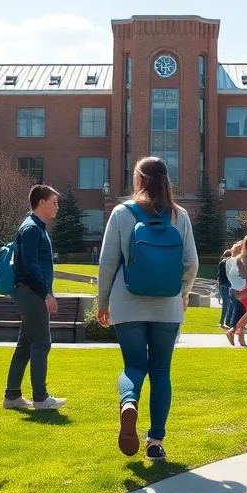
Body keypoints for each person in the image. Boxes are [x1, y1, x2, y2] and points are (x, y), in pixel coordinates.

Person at [96, 157, 198, 462]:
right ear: (167, 180)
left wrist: (102, 303)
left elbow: (107, 263)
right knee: (161, 371)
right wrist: (183, 293)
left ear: (138, 180)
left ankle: (129, 402)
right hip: (167, 306)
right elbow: (191, 263)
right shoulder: (179, 216)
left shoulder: (121, 213)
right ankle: (155, 442)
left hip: (127, 303)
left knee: (133, 367)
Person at [3, 184, 67, 411]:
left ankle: (12, 396)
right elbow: (30, 265)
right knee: (41, 343)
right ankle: (40, 397)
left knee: (26, 345)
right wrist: (46, 293)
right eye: (54, 202)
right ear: (42, 202)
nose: (57, 207)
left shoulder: (34, 228)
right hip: (31, 293)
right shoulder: (31, 229)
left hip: (28, 292)